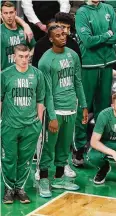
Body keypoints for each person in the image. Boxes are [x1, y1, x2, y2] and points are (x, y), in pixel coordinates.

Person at [37, 25, 88, 198]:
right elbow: (47, 92)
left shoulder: (72, 55)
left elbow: (78, 82)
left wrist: (84, 106)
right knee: (49, 146)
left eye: (63, 34)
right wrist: (51, 116)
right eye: (58, 35)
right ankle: (43, 178)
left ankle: (59, 177)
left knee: (65, 146)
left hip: (71, 108)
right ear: (51, 39)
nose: (62, 37)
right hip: (55, 109)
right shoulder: (45, 61)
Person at [74, 0, 116, 167]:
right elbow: (87, 41)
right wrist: (107, 35)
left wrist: (104, 37)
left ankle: (100, 146)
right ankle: (78, 147)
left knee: (104, 108)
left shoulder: (108, 8)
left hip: (107, 63)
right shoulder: (82, 13)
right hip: (88, 64)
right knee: (84, 107)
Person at [1, 44, 45, 204]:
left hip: (30, 125)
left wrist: (39, 122)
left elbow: (40, 100)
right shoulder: (5, 75)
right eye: (20, 56)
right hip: (9, 125)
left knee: (26, 159)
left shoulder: (37, 75)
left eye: (27, 56)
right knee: (9, 158)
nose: (24, 60)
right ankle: (8, 188)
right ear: (14, 57)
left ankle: (20, 188)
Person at [1, 1, 36, 70]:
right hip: (6, 74)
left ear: (15, 13)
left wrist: (29, 55)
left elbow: (35, 46)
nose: (9, 16)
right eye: (5, 13)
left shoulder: (24, 30)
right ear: (1, 15)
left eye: (11, 12)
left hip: (24, 72)